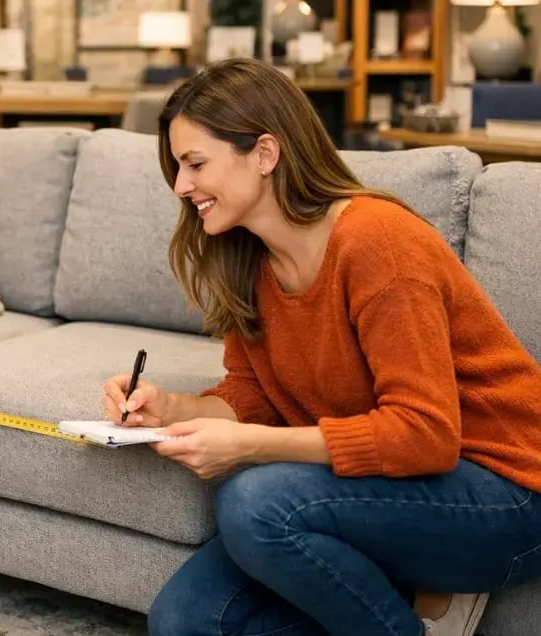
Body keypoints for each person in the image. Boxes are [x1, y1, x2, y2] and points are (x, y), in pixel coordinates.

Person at [103, 58, 541, 636]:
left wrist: (254, 447)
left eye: (195, 163)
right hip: (380, 494)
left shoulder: (377, 242)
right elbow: (251, 395)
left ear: (265, 153)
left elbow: (426, 435)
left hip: (504, 493)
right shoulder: (250, 260)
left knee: (254, 501)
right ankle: (404, 598)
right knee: (185, 621)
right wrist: (172, 411)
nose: (181, 187)